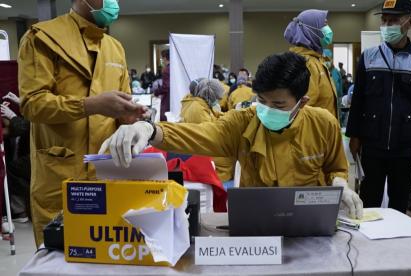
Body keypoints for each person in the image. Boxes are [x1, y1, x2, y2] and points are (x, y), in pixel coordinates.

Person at [99, 52, 364, 219]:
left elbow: (335, 168)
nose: (267, 110)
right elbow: (199, 134)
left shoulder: (323, 124)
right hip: (257, 220)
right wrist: (149, 129)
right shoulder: (242, 122)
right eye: (262, 100)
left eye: (279, 105)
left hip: (310, 220)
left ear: (302, 102)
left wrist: (340, 183)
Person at [18, 0, 146, 246]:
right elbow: (32, 104)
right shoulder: (42, 38)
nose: (114, 2)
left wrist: (128, 117)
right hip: (61, 175)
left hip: (108, 173)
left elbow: (122, 101)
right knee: (59, 258)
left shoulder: (115, 48)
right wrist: (90, 105)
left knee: (106, 254)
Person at [346, 0, 411, 213]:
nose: (387, 25)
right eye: (384, 20)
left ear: (410, 22)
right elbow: (358, 100)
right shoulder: (369, 56)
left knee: (399, 203)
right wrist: (354, 136)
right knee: (369, 201)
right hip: (372, 143)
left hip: (406, 146)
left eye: (393, 20)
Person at [284, 9, 338, 118]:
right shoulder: (306, 63)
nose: (328, 30)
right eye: (324, 25)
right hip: (315, 132)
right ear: (310, 30)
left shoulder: (316, 60)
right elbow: (304, 109)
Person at [180, 78, 235, 183]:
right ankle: (217, 182)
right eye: (218, 98)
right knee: (229, 159)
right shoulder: (198, 109)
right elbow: (208, 135)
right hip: (201, 150)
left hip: (202, 146)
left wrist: (233, 116)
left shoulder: (202, 104)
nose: (219, 101)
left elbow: (216, 115)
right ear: (211, 95)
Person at [1, 93, 30, 223]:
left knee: (9, 170)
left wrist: (11, 115)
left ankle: (19, 211)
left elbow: (21, 128)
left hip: (38, 156)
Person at [154, 49, 170, 121]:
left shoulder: (166, 70)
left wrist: (156, 92)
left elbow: (166, 87)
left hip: (167, 99)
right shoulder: (174, 68)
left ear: (165, 58)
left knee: (164, 119)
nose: (162, 60)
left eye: (162, 58)